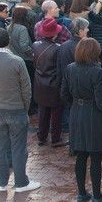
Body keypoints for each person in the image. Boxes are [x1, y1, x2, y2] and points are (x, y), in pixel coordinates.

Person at [0, 29, 39, 193]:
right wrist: (25, 108)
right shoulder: (17, 61)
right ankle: (21, 182)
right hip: (16, 109)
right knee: (19, 148)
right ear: (9, 41)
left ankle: (2, 182)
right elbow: (26, 89)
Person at [61, 37, 102, 202]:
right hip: (93, 115)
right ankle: (97, 195)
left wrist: (75, 104)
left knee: (80, 156)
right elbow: (101, 101)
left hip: (77, 114)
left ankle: (81, 193)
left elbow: (63, 94)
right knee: (95, 157)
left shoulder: (70, 68)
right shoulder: (97, 71)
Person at [33, 18, 66, 147]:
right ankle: (55, 138)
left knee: (42, 112)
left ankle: (42, 136)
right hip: (54, 84)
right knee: (56, 113)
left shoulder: (35, 45)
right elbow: (61, 68)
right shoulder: (59, 48)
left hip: (40, 83)